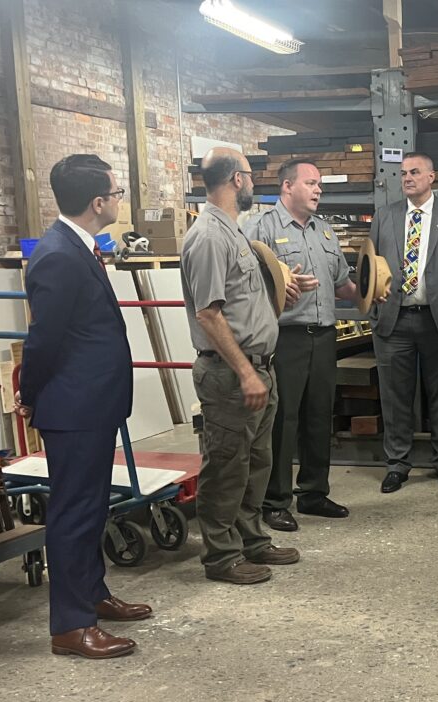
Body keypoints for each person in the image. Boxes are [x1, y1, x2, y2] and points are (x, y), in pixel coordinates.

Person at [15, 154, 150, 659]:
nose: (118, 201)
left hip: (92, 403)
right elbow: (43, 339)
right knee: (73, 513)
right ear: (98, 203)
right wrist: (31, 395)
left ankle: (92, 593)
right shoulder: (58, 255)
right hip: (74, 408)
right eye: (116, 194)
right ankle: (71, 625)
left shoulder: (78, 248)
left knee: (92, 508)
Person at [181, 147, 302, 583]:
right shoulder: (209, 236)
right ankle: (221, 556)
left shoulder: (234, 232)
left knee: (256, 462)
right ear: (236, 179)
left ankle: (250, 539)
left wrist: (280, 295)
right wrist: (247, 372)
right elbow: (208, 314)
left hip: (257, 367)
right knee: (227, 464)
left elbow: (239, 300)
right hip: (232, 375)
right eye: (250, 175)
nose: (254, 183)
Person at [245, 158, 360, 532]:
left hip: (324, 336)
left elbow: (343, 284)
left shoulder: (324, 232)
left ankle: (313, 491)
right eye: (311, 183)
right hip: (286, 337)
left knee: (317, 415)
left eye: (319, 185)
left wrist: (374, 291)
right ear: (287, 187)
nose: (318, 190)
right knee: (283, 419)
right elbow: (245, 288)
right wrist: (281, 286)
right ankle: (275, 500)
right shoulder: (259, 229)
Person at [368, 153, 438, 493]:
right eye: (403, 174)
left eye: (415, 172)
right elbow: (370, 268)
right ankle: (398, 464)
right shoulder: (384, 218)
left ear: (432, 176)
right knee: (395, 396)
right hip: (394, 321)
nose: (407, 178)